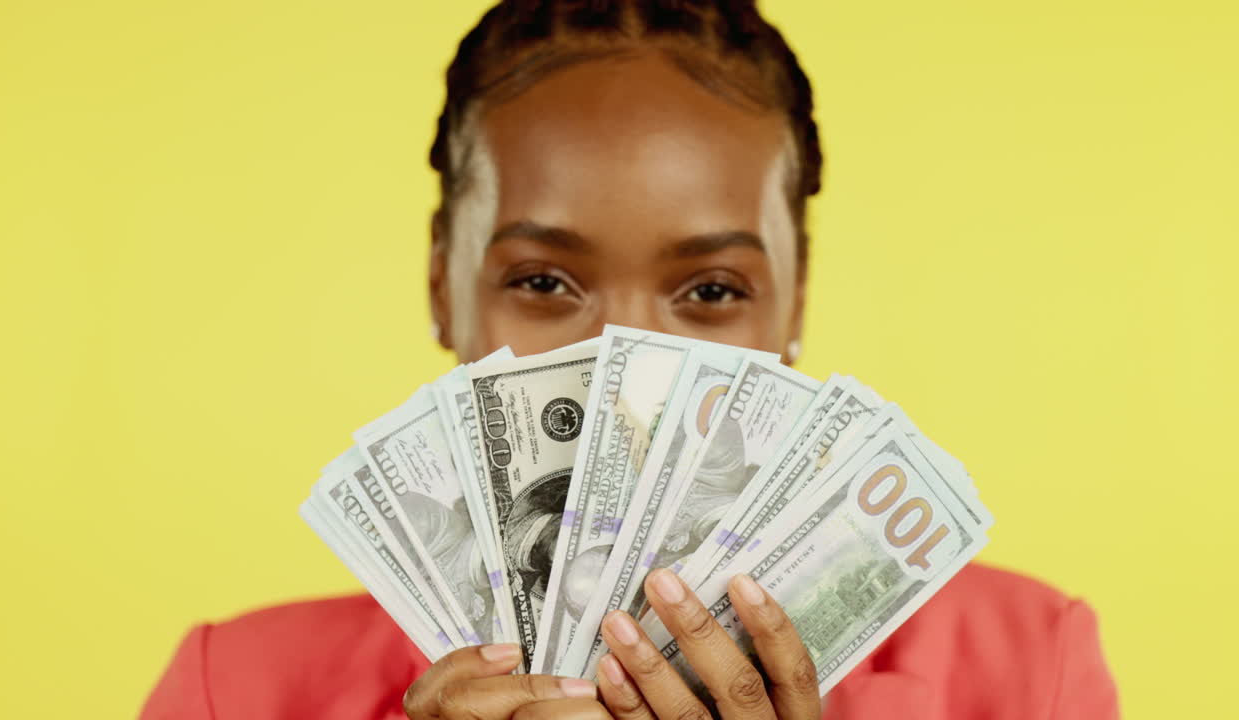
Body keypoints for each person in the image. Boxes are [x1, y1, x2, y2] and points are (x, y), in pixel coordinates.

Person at [141, 2, 1120, 718]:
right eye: (542, 282)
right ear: (442, 282)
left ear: (794, 299)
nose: (626, 375)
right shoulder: (231, 690)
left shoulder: (1029, 672)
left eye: (708, 293)